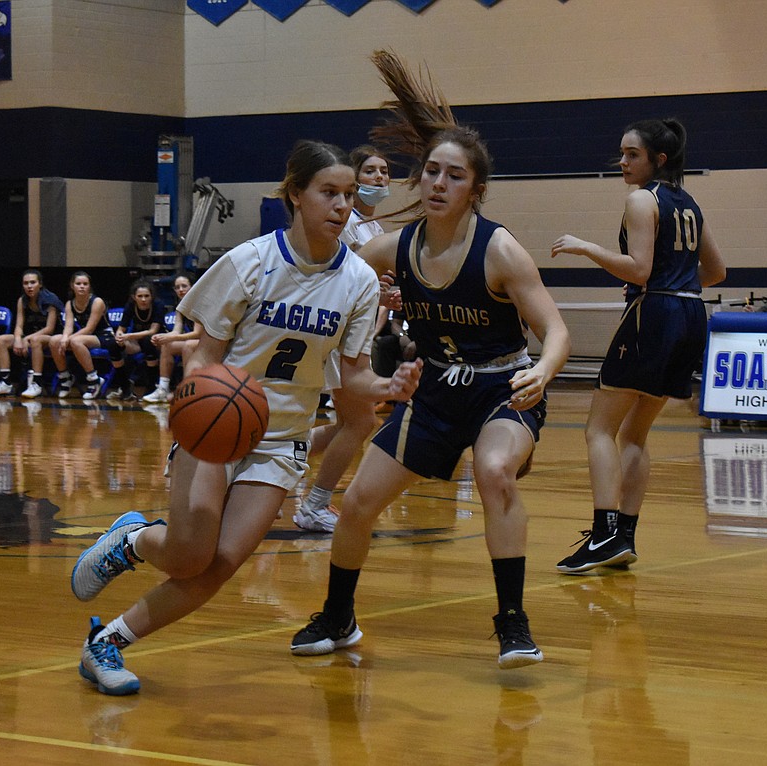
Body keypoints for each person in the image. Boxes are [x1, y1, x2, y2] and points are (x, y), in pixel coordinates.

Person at [68, 139, 421, 696]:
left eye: (349, 195)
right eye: (328, 192)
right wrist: (195, 415)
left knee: (219, 565)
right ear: (296, 195)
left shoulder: (356, 280)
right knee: (188, 554)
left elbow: (350, 377)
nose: (341, 205)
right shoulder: (249, 262)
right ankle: (134, 541)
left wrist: (388, 385)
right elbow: (205, 356)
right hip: (217, 426)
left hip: (281, 442)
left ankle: (106, 643)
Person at [289, 50, 570, 669]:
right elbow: (335, 282)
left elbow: (555, 328)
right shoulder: (394, 247)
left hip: (503, 389)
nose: (438, 183)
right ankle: (338, 617)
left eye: (454, 175)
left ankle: (513, 623)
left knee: (495, 473)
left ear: (476, 189)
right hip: (436, 393)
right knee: (359, 502)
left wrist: (544, 370)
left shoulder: (501, 252)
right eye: (432, 172)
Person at [550, 118, 726, 574]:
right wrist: (679, 284)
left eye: (632, 154)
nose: (623, 162)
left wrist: (586, 248)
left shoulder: (641, 200)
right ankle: (624, 536)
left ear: (658, 160)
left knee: (598, 430)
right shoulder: (689, 202)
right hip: (691, 314)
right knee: (634, 434)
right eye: (622, 153)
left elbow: (639, 270)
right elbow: (716, 273)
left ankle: (604, 534)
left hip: (657, 314)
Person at [293, 145, 394, 533]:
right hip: (333, 331)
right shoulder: (343, 223)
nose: (379, 178)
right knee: (359, 421)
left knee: (352, 422)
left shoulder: (375, 228)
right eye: (370, 171)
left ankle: (273, 453)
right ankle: (314, 503)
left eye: (384, 171)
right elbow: (338, 278)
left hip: (353, 330)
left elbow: (362, 284)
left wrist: (383, 299)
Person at [0, 269, 64, 396]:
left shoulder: (50, 300)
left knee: (35, 340)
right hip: (30, 336)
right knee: (2, 340)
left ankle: (36, 383)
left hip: (52, 338)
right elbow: (19, 325)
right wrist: (17, 340)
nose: (29, 286)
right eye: (26, 283)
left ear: (40, 284)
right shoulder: (22, 300)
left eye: (33, 282)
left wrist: (26, 339)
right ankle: (5, 383)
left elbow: (49, 329)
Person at [48, 271, 117, 401]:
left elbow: (90, 328)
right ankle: (65, 377)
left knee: (75, 341)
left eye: (85, 284)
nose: (82, 286)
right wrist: (64, 337)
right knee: (54, 340)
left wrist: (69, 338)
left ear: (89, 286)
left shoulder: (97, 302)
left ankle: (94, 380)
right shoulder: (70, 303)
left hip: (104, 336)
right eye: (78, 283)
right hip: (83, 336)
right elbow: (68, 326)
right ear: (72, 286)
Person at [142, 273, 199, 403]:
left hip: (210, 340)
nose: (181, 289)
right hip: (194, 340)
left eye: (184, 286)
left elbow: (198, 333)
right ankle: (163, 388)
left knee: (187, 345)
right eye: (177, 287)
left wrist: (172, 338)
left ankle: (187, 388)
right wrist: (162, 336)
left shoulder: (199, 303)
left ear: (193, 287)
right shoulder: (181, 306)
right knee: (167, 345)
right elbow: (176, 331)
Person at [105, 279, 163, 401]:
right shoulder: (130, 305)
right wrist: (119, 336)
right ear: (134, 297)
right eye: (140, 296)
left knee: (149, 341)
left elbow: (153, 331)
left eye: (146, 296)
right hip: (137, 341)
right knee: (113, 345)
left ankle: (151, 386)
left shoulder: (158, 305)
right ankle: (124, 386)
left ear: (152, 297)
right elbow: (122, 328)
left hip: (157, 340)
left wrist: (129, 336)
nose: (143, 299)